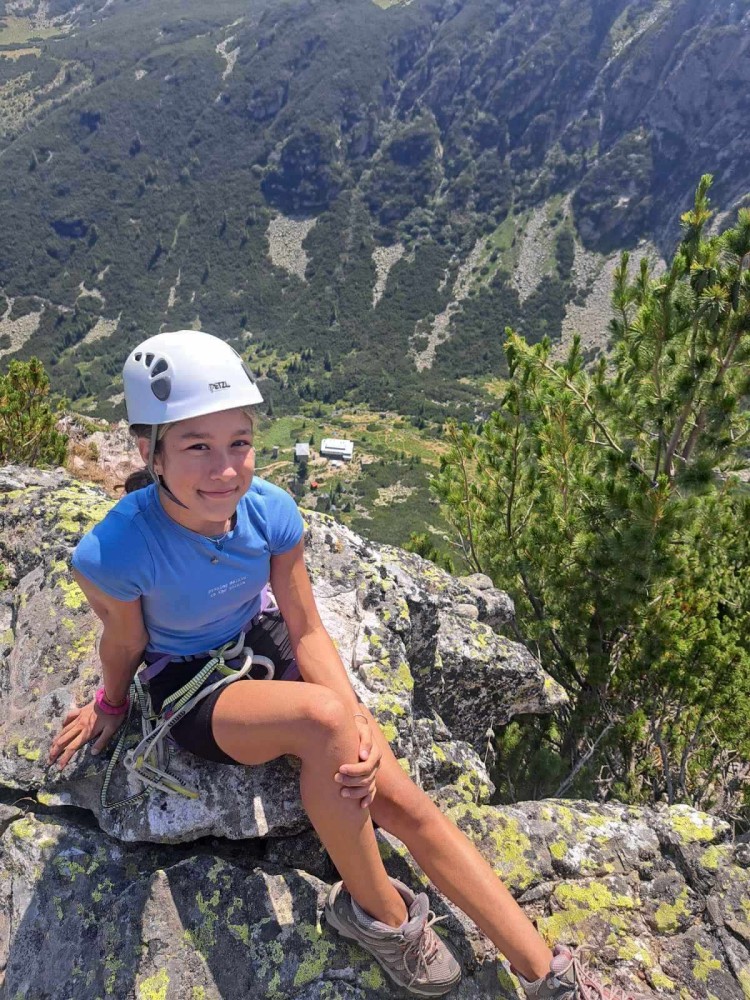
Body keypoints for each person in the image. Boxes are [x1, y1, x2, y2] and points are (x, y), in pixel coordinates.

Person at [49, 330, 646, 1000]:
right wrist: (110, 705)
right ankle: (380, 917)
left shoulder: (270, 514)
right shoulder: (114, 552)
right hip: (192, 686)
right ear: (148, 451)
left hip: (265, 647)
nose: (226, 470)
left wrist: (359, 721)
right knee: (323, 721)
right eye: (197, 447)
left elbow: (304, 627)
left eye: (239, 443)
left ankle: (549, 976)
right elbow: (125, 644)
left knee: (402, 799)